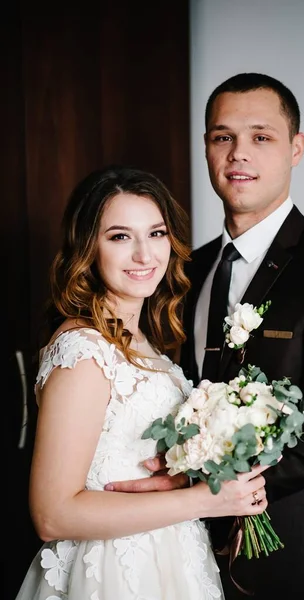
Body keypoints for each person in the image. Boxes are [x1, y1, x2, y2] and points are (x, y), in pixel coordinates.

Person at [106, 75, 304, 600]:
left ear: (295, 148)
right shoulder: (187, 268)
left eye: (261, 136)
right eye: (222, 137)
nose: (239, 154)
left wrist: (211, 486)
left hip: (299, 548)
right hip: (190, 546)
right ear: (207, 148)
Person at [15, 164, 270, 600]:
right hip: (112, 572)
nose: (145, 255)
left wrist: (199, 472)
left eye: (156, 233)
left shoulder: (143, 341)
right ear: (87, 248)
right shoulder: (84, 351)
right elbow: (53, 515)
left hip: (170, 559)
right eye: (119, 236)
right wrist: (209, 500)